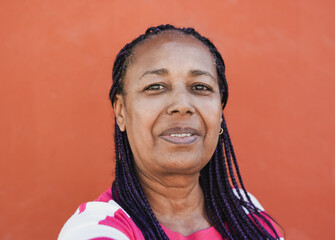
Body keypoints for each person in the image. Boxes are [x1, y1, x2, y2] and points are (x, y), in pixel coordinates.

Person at [58, 24, 283, 240]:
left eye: (200, 87)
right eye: (155, 86)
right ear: (121, 112)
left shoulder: (246, 216)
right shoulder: (95, 228)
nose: (182, 105)